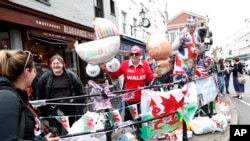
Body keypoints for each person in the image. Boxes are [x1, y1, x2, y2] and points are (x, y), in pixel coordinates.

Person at [0, 50, 60, 140]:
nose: (35, 76)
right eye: (34, 71)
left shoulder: (13, 94)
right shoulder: (7, 96)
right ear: (27, 72)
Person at [101, 46, 156, 122]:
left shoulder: (145, 64)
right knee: (129, 120)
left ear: (140, 55)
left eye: (136, 54)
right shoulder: (125, 64)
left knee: (140, 120)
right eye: (132, 54)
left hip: (141, 98)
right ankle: (130, 133)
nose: (134, 56)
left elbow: (150, 79)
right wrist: (106, 69)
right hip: (128, 99)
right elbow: (115, 74)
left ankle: (139, 133)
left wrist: (156, 75)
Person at [36, 54, 86, 127]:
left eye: (58, 63)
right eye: (54, 63)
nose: (56, 65)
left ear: (63, 64)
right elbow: (39, 93)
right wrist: (42, 109)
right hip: (53, 109)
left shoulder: (72, 75)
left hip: (70, 108)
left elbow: (81, 90)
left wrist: (80, 106)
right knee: (56, 129)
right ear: (51, 65)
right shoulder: (45, 77)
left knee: (70, 129)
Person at [172, 15, 201, 83]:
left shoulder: (198, 37)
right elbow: (173, 47)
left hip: (192, 63)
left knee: (192, 83)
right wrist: (179, 39)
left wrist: (198, 51)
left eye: (194, 27)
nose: (193, 28)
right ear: (187, 26)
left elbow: (199, 49)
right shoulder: (181, 34)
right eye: (191, 27)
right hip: (182, 62)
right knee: (184, 83)